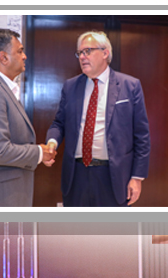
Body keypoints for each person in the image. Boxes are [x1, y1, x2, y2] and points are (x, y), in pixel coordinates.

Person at [45, 31, 150, 207]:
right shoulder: (70, 86)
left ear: (105, 53)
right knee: (77, 232)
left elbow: (142, 136)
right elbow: (59, 123)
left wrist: (136, 178)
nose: (82, 57)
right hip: (76, 175)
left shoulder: (129, 86)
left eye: (88, 51)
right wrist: (52, 142)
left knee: (111, 233)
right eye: (80, 53)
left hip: (113, 176)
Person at [0, 28, 55, 207]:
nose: (24, 56)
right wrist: (39, 153)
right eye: (20, 51)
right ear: (3, 57)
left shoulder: (1, 88)